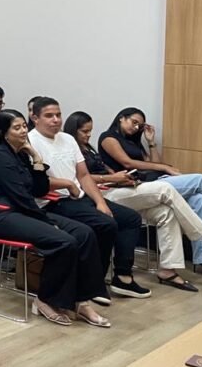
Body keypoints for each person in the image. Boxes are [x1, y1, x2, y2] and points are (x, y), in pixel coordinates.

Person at [66, 110, 202, 292]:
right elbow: (81, 177)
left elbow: (111, 171)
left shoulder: (88, 148)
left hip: (120, 187)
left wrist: (122, 177)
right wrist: (112, 179)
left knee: (166, 213)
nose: (89, 135)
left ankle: (168, 270)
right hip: (103, 195)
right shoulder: (79, 146)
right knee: (169, 188)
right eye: (85, 131)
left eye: (90, 131)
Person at [0, 110, 110, 327]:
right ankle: (44, 299)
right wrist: (48, 222)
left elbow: (39, 189)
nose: (23, 131)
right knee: (63, 241)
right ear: (3, 133)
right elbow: (21, 197)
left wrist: (36, 157)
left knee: (84, 233)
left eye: (23, 126)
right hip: (0, 215)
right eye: (17, 128)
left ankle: (81, 300)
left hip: (22, 211)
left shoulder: (21, 154)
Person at [28, 98, 148, 300]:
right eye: (49, 116)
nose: (56, 119)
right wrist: (68, 184)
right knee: (105, 224)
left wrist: (100, 202)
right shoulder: (30, 142)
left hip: (80, 196)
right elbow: (36, 182)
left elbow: (83, 175)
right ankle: (92, 284)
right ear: (34, 118)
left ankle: (123, 277)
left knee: (130, 218)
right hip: (54, 201)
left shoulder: (68, 139)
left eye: (58, 115)